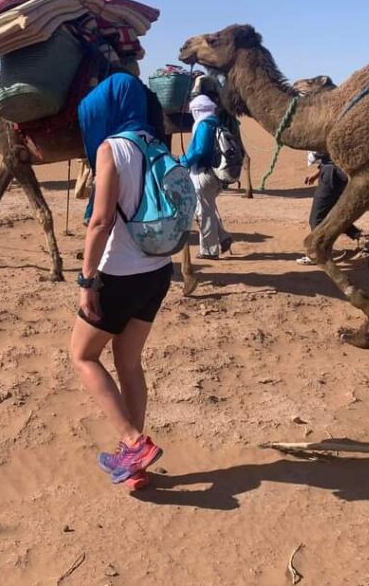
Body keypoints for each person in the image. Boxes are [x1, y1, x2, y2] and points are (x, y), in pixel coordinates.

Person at [72, 72, 171, 491]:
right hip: (158, 270)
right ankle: (136, 466)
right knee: (128, 363)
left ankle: (133, 442)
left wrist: (86, 280)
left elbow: (100, 220)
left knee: (82, 356)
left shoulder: (111, 148)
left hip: (121, 272)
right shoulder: (157, 144)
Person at [179, 94, 232, 258]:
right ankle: (223, 237)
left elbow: (199, 150)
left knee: (204, 211)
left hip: (204, 173)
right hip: (216, 173)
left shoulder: (203, 125)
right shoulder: (216, 123)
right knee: (206, 207)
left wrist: (182, 162)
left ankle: (209, 251)